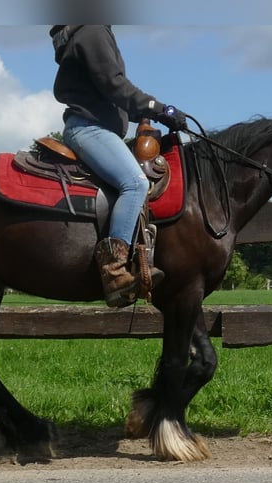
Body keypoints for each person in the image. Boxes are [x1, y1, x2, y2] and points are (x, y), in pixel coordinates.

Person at [50, 25, 188, 307]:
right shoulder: (92, 30)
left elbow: (114, 93)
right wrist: (162, 109)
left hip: (98, 128)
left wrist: (150, 113)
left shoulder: (90, 30)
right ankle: (114, 272)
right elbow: (115, 85)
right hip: (89, 129)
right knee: (135, 183)